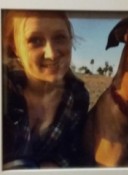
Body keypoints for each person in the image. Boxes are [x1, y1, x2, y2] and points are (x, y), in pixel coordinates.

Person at [2, 10, 89, 169]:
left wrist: (54, 164)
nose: (51, 54)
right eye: (35, 40)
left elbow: (70, 151)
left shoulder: (77, 97)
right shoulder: (5, 86)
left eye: (60, 38)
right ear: (15, 46)